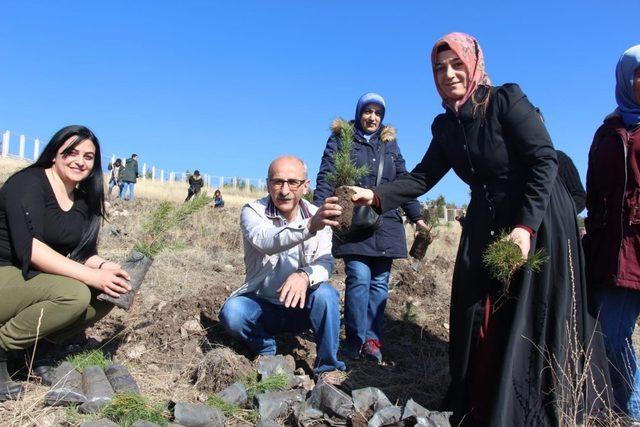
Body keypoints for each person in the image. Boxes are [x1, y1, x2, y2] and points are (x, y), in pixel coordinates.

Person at [349, 33, 609, 425]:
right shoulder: (446, 125)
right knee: (473, 305)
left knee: (528, 308)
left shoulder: (505, 100)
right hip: (485, 219)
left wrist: (524, 228)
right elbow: (422, 178)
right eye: (440, 68)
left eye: (457, 64)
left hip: (534, 214)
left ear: (473, 64)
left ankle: (533, 405)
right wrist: (375, 195)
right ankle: (482, 399)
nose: (449, 74)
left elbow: (544, 161)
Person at [0, 125, 131, 400]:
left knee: (108, 295)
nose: (79, 161)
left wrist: (106, 268)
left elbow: (83, 253)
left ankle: (32, 354)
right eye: (71, 152)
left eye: (88, 156)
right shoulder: (28, 183)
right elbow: (31, 250)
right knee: (75, 293)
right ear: (54, 154)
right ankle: (3, 348)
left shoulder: (83, 200)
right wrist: (90, 276)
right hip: (6, 272)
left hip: (31, 280)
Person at [313, 93, 426, 363]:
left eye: (378, 113)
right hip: (353, 223)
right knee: (359, 279)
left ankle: (372, 340)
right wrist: (318, 211)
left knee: (379, 285)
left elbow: (403, 182)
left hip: (385, 223)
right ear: (359, 112)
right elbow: (327, 174)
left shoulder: (390, 144)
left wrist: (417, 217)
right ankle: (354, 339)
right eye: (368, 111)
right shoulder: (342, 139)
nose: (372, 117)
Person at [218, 155, 346, 379]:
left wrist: (305, 276)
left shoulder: (320, 217)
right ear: (268, 184)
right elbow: (266, 241)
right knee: (233, 312)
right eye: (278, 182)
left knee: (326, 295)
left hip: (302, 308)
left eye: (293, 182)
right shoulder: (253, 211)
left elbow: (326, 262)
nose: (285, 190)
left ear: (305, 187)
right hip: (263, 307)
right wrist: (309, 226)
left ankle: (327, 367)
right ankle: (267, 349)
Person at [584, 44, 640, 420]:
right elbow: (593, 191)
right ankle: (627, 409)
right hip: (611, 249)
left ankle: (628, 408)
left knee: (613, 335)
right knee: (610, 334)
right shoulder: (607, 131)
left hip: (636, 243)